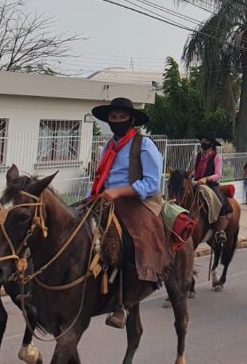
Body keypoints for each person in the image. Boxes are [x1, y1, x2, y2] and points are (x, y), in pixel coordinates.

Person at [88, 97, 166, 328]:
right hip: (106, 199)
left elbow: (152, 182)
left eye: (122, 117)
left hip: (136, 200)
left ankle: (124, 301)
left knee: (130, 243)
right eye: (113, 117)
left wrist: (119, 193)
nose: (118, 120)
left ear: (132, 119)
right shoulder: (109, 146)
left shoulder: (144, 144)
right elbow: (101, 176)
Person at [189, 135, 233, 244]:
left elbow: (218, 174)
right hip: (197, 182)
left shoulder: (216, 157)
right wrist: (190, 175)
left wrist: (206, 178)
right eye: (202, 140)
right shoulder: (197, 156)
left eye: (206, 141)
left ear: (211, 144)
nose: (203, 142)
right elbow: (195, 170)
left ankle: (219, 230)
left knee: (220, 201)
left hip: (211, 184)